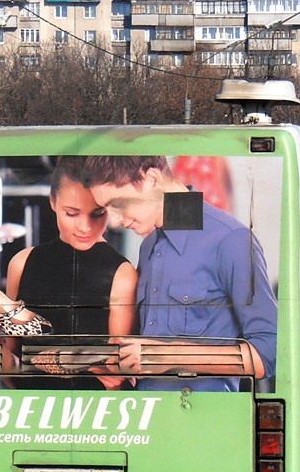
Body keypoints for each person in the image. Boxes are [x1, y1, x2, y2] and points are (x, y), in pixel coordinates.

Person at [78, 155, 277, 392]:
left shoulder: (231, 240)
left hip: (203, 421)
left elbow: (269, 352)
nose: (114, 222)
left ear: (151, 178)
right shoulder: (149, 246)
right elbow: (150, 351)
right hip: (145, 418)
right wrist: (122, 369)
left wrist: (165, 355)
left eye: (118, 205)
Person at [0, 158, 137, 389]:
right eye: (72, 213)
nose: (85, 227)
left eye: (98, 213)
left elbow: (120, 382)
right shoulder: (22, 263)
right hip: (35, 412)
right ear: (53, 202)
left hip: (96, 416)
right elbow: (15, 374)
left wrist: (116, 379)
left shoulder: (122, 274)